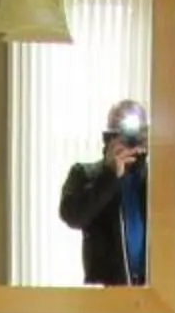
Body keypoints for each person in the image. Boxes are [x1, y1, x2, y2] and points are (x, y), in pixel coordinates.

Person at [59, 99, 151, 287]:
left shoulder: (158, 181)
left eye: (135, 134)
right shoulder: (84, 174)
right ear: (108, 138)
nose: (129, 140)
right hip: (104, 291)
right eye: (121, 134)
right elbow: (72, 216)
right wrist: (109, 176)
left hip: (154, 292)